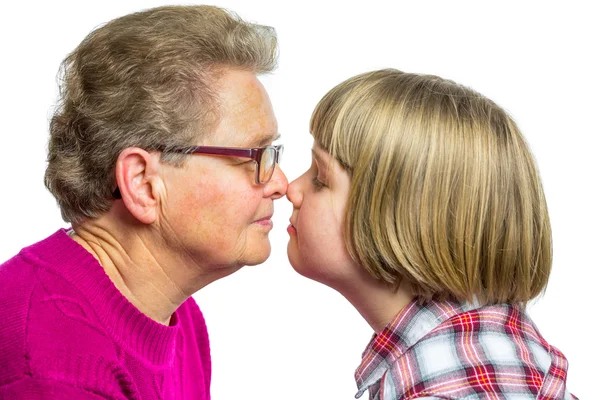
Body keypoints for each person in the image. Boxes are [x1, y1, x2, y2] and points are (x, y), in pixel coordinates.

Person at [0, 5, 287, 399]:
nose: (281, 184)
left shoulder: (178, 316)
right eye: (253, 156)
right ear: (142, 183)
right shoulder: (55, 365)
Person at [286, 69, 576, 399]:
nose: (291, 189)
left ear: (399, 216)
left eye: (321, 179)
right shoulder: (479, 353)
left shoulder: (453, 387)